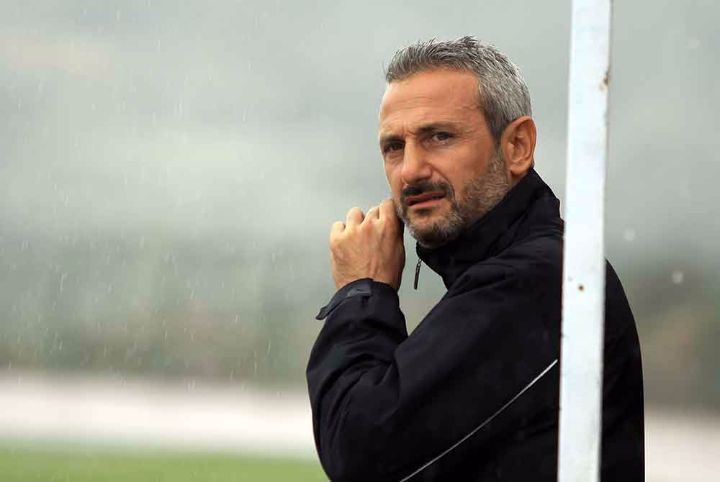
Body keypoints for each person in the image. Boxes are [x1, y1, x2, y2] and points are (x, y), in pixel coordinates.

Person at [306, 36, 644, 481]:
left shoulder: (538, 282)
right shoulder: (520, 270)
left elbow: (361, 455)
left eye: (439, 137)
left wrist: (361, 293)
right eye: (394, 147)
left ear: (518, 146)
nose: (410, 170)